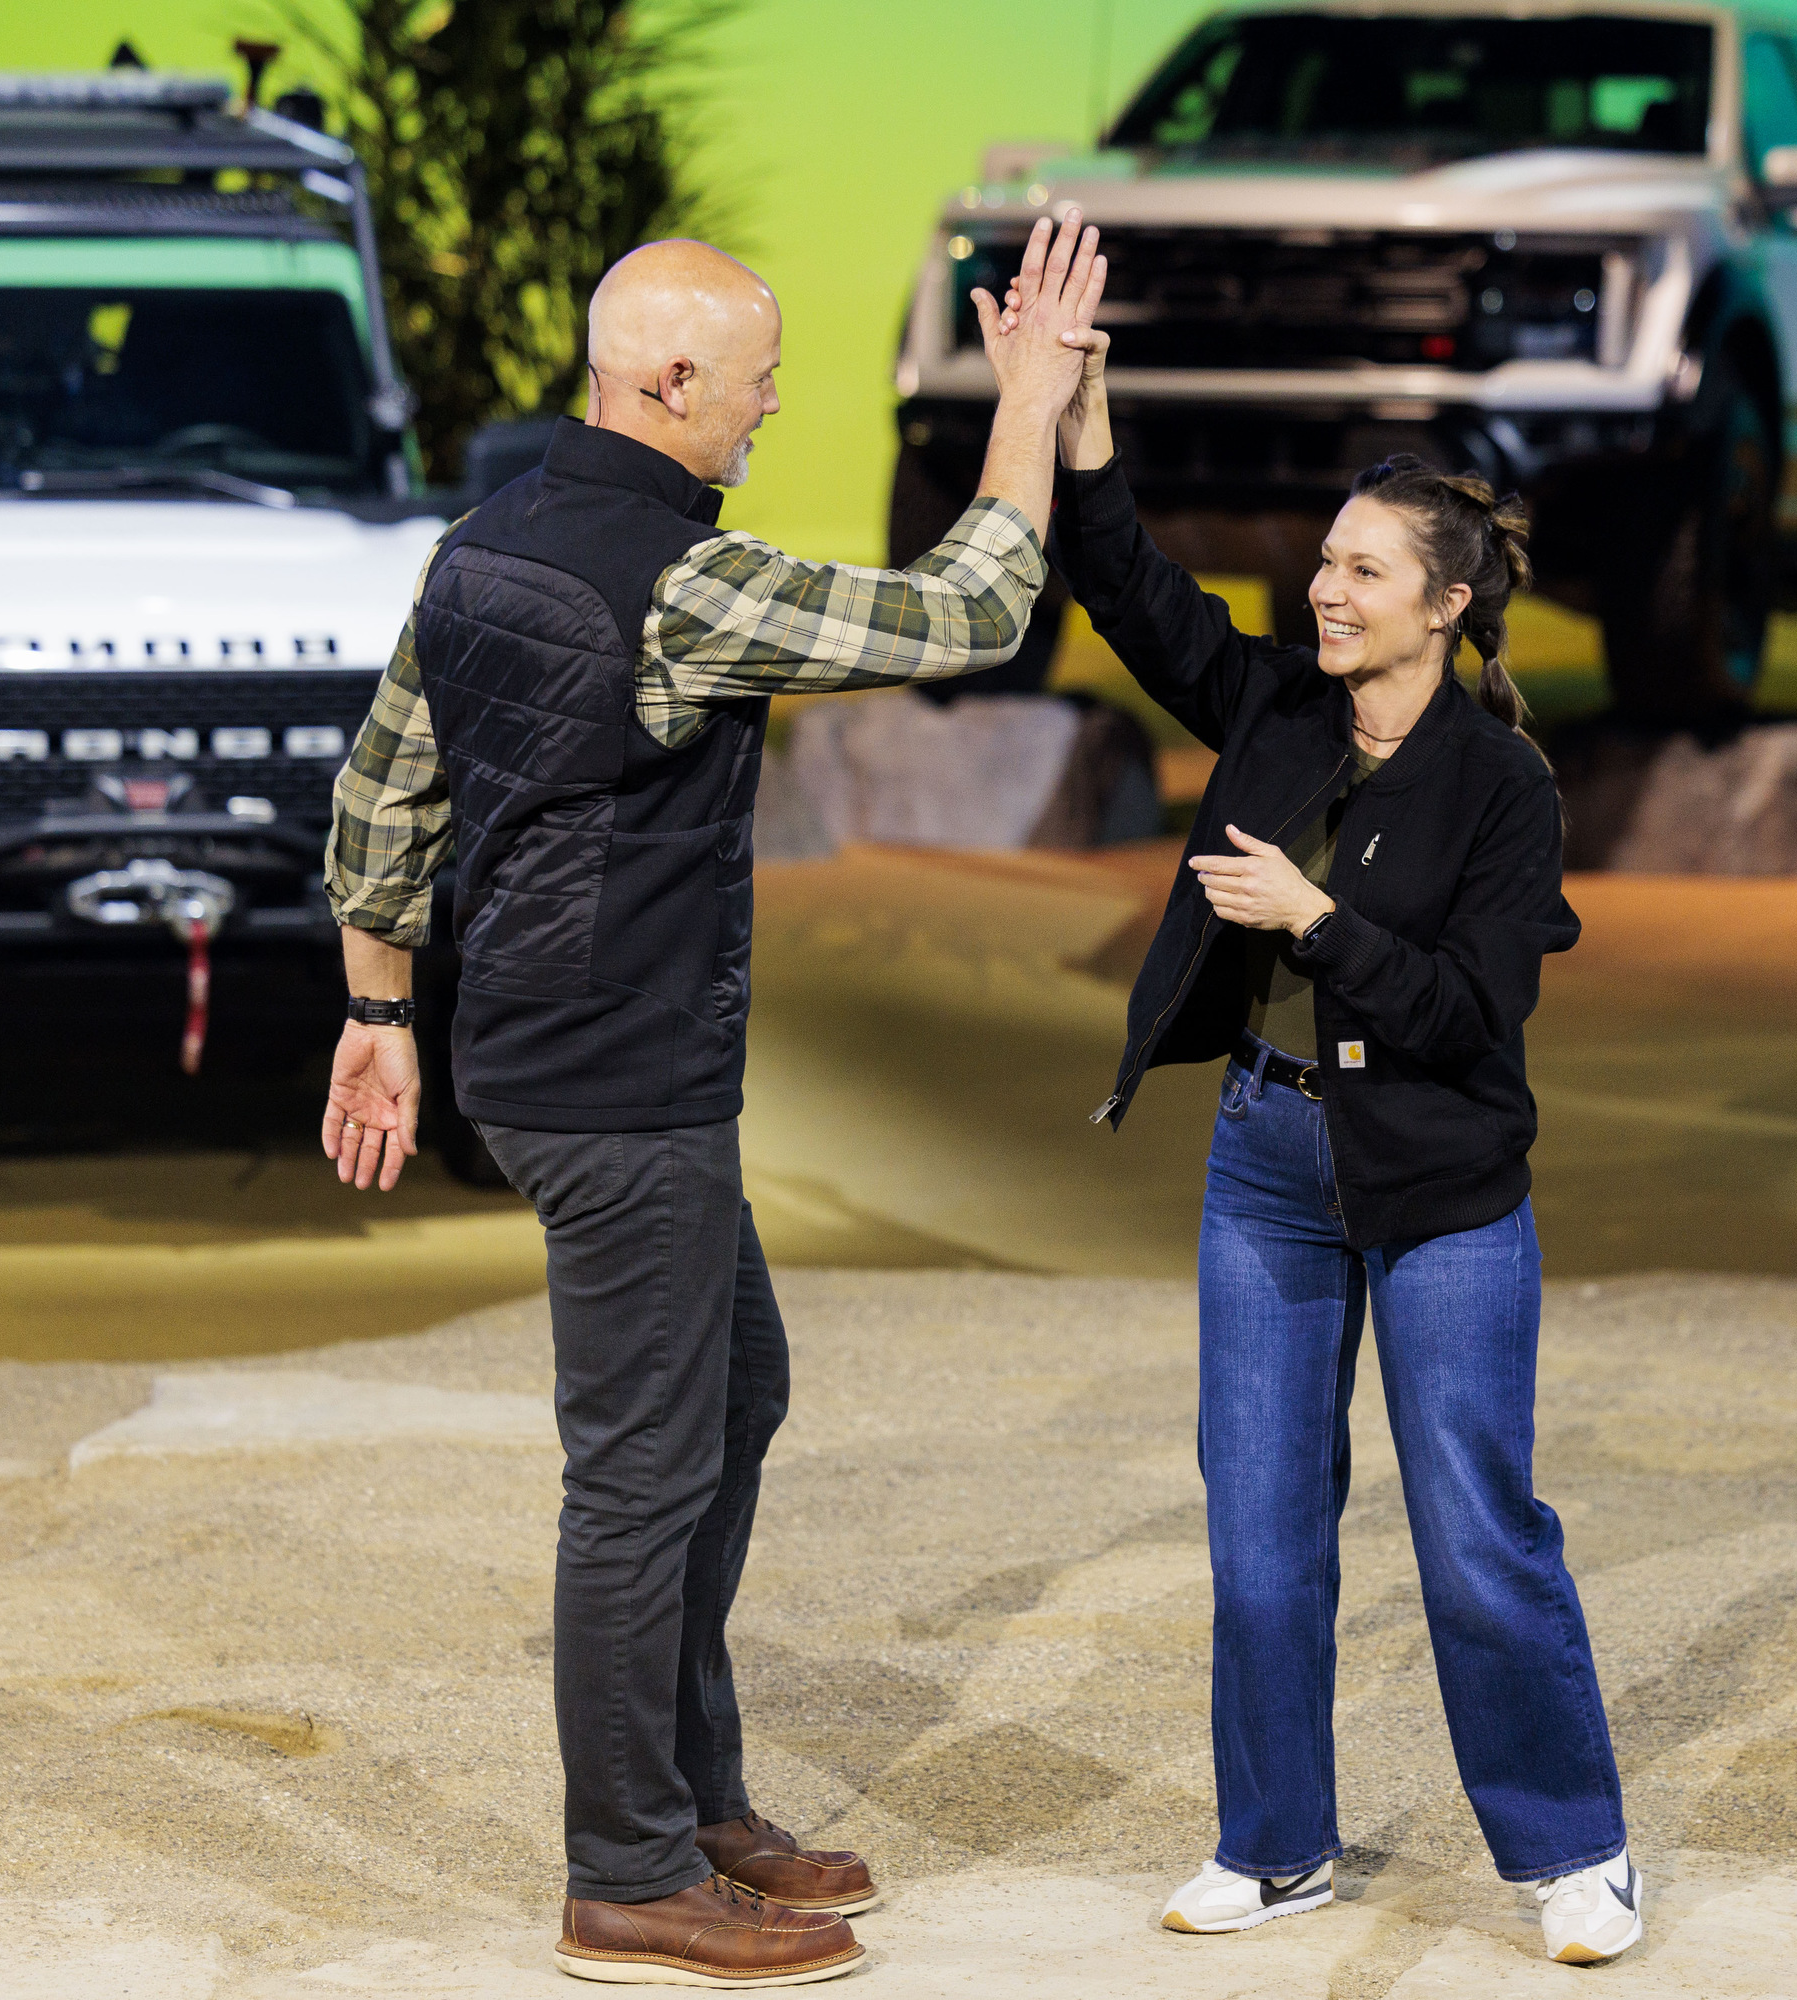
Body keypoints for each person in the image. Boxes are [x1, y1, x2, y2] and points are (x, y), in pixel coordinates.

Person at [319, 216, 1104, 1988]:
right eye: (757, 386)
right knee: (641, 1473)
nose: (768, 413)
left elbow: (381, 795)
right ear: (672, 381)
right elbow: (971, 612)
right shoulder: (683, 584)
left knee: (734, 1395)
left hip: (550, 1056)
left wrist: (377, 1010)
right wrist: (1029, 399)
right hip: (623, 1078)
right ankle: (625, 1879)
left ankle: (689, 1808)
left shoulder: (483, 542)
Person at [1039, 319, 1642, 1965]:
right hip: (1265, 1164)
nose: (1326, 590)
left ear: (1446, 605)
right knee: (1259, 1534)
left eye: (1364, 572)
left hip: (1441, 1187)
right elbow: (1129, 592)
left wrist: (1316, 922)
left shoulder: (1502, 786)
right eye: (1324, 563)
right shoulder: (1276, 710)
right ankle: (1276, 1843)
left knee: (1475, 1535)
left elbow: (1470, 1012)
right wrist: (1086, 426)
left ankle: (1574, 1849)